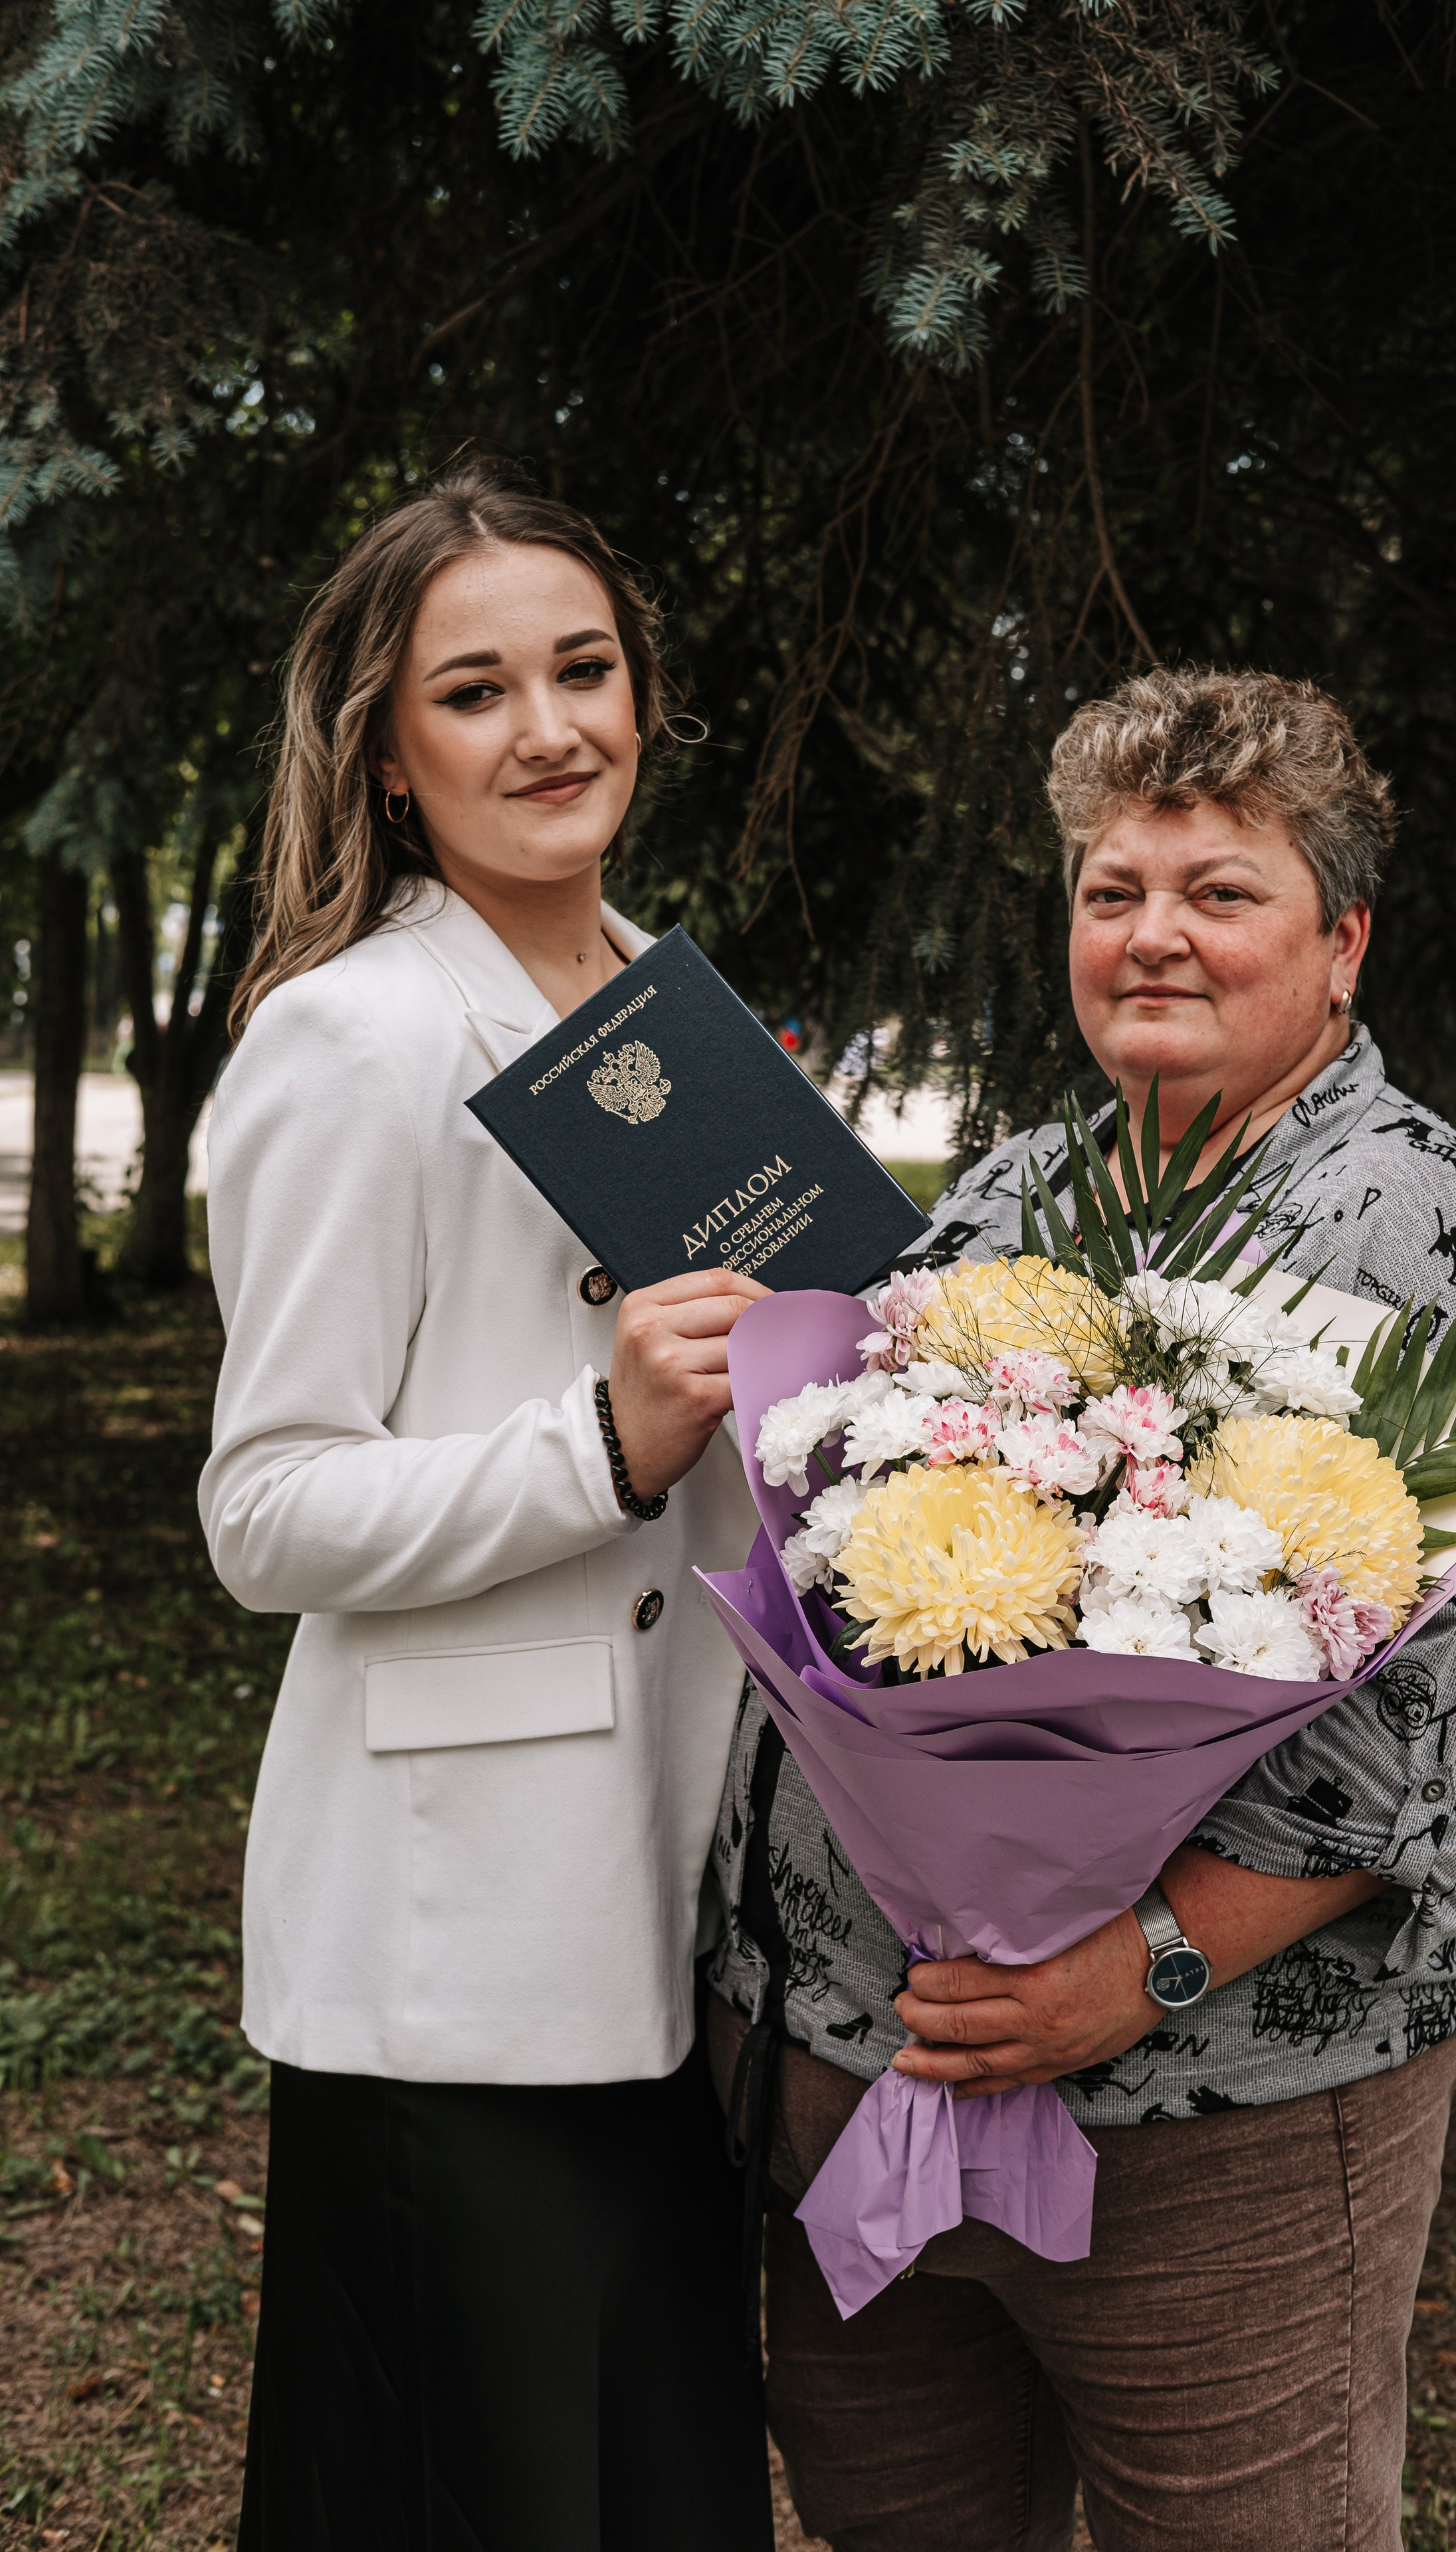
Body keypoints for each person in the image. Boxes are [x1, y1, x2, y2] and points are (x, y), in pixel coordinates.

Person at [707, 666, 1456, 2552]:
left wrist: (1134, 1972)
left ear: (1341, 943)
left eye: (1221, 891)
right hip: (875, 2072)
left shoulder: (1444, 1245)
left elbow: (1452, 1746)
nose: (1153, 936)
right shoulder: (1007, 1201)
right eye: (1113, 891)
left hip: (1227, 2124)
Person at [200, 465, 774, 2550]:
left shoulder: (666, 1008)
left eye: (585, 668)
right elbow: (266, 1509)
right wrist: (595, 1447)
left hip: (675, 1904)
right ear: (388, 749)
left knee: (659, 2494)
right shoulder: (350, 1040)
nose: (550, 729)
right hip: (463, 1946)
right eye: (477, 690)